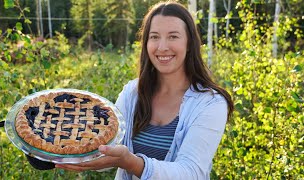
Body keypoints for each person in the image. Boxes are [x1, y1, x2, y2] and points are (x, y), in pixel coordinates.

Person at [56, 1, 234, 179]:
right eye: (154, 36)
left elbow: (190, 173)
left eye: (173, 36)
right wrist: (49, 146)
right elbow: (105, 149)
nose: (162, 47)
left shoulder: (210, 102)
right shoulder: (132, 92)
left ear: (189, 43)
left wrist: (132, 163)